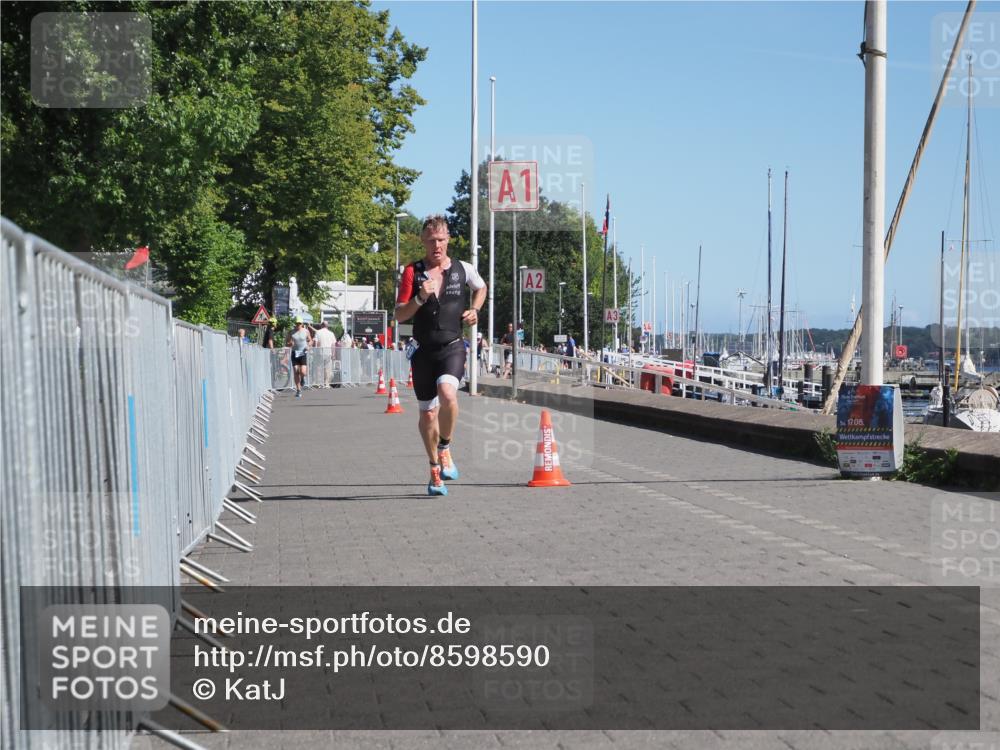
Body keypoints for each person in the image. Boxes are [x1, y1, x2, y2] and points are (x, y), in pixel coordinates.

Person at [395, 214, 487, 496]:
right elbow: (399, 315)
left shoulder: (463, 269)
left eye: (441, 240)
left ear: (448, 240)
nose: (437, 245)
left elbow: (481, 287)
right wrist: (420, 298)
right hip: (423, 350)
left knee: (448, 394)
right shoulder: (413, 272)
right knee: (427, 415)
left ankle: (445, 447)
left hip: (452, 345)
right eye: (431, 240)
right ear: (423, 241)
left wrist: (475, 310)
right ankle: (435, 469)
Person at [286, 317, 312, 397]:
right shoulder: (291, 332)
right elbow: (287, 342)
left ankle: (303, 378)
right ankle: (298, 390)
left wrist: (308, 345)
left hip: (303, 352)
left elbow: (310, 340)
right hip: (294, 353)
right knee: (296, 371)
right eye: (297, 323)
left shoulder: (306, 331)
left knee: (303, 372)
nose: (298, 325)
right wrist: (290, 344)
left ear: (302, 324)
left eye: (299, 323)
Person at [313, 321, 337, 386]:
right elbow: (333, 345)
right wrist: (333, 354)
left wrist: (315, 351)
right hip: (328, 353)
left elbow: (316, 343)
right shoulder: (331, 333)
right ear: (327, 326)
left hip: (319, 352)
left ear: (321, 325)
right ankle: (326, 383)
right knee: (327, 369)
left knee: (319, 368)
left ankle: (319, 383)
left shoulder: (318, 332)